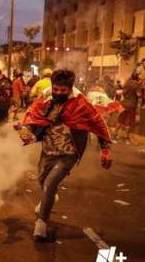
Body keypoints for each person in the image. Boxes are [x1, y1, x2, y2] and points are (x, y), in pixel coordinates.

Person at [17, 69, 112, 241]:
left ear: (70, 88)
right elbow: (33, 116)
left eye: (63, 90)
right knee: (42, 181)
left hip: (69, 153)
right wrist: (25, 130)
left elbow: (98, 123)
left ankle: (41, 225)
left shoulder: (81, 102)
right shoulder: (45, 97)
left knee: (49, 183)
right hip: (48, 150)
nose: (59, 93)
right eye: (57, 89)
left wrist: (105, 149)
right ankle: (50, 196)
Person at [114, 72, 141, 141]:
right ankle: (126, 136)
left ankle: (115, 133)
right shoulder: (137, 85)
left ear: (131, 77)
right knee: (129, 121)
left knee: (120, 119)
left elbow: (123, 92)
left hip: (124, 103)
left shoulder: (127, 83)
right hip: (132, 105)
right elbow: (138, 95)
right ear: (137, 78)